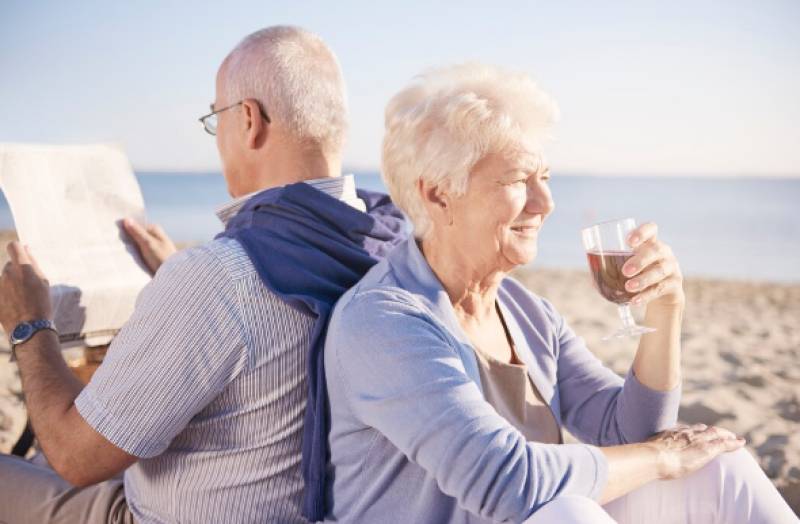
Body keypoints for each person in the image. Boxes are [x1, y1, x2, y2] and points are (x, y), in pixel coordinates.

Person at [322, 63, 798, 523]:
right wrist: (662, 458)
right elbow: (508, 483)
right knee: (569, 511)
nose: (545, 203)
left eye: (545, 178)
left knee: (721, 467)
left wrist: (666, 310)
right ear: (438, 194)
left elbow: (629, 432)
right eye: (517, 180)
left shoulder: (525, 311)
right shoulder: (383, 321)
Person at [0, 26, 406, 523]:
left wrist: (29, 324)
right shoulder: (391, 247)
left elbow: (76, 456)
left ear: (250, 120)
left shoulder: (220, 279)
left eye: (217, 118)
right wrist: (178, 279)